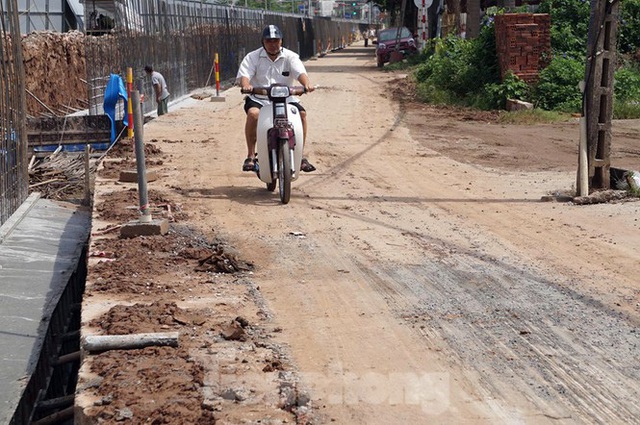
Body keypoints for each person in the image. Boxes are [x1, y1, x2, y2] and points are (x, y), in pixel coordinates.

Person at [236, 24, 316, 172]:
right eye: (269, 41)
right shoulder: (253, 57)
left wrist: (306, 84)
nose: (273, 45)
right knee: (253, 114)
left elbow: (300, 73)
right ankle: (251, 155)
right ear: (263, 42)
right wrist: (246, 85)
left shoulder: (290, 56)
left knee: (302, 115)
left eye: (276, 41)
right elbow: (245, 76)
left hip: (286, 98)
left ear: (281, 41)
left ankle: (300, 155)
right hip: (260, 98)